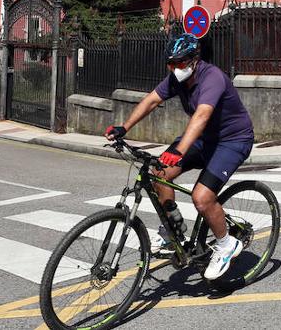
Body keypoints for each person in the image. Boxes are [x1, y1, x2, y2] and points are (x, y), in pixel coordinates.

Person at [105, 32, 255, 281]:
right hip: (203, 139)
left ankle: (226, 244)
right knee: (159, 173)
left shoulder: (212, 77)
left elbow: (202, 115)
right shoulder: (176, 79)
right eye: (171, 63)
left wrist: (178, 150)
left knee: (202, 198)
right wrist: (124, 127)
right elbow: (151, 100)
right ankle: (173, 231)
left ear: (195, 60)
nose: (175, 68)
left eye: (180, 63)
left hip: (232, 141)